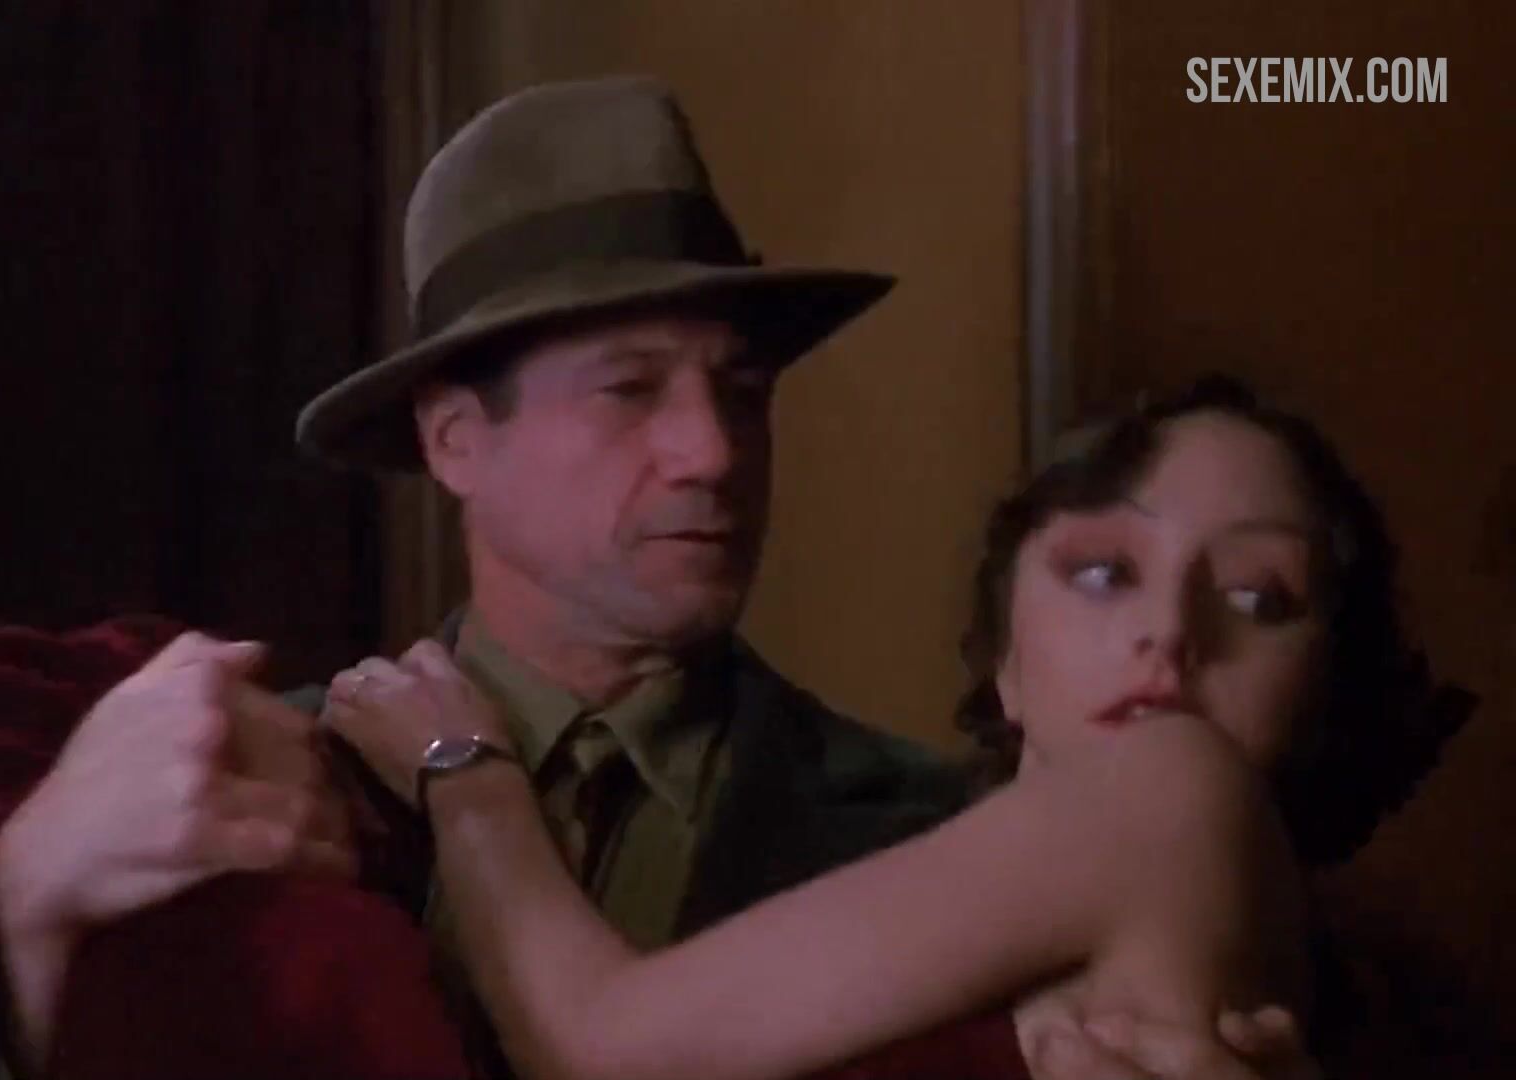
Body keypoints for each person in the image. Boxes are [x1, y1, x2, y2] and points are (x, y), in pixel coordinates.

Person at [0, 76, 1331, 1079]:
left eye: (740, 393)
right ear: (456, 440)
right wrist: (31, 920)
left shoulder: (943, 830)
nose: (713, 452)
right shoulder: (248, 783)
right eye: (631, 389)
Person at [323, 375, 1473, 1079]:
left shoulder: (1176, 787)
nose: (1167, 634)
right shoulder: (922, 852)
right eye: (1103, 571)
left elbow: (599, 1044)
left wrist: (462, 769)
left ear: (1328, 688)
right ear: (1005, 655)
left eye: (1260, 597)